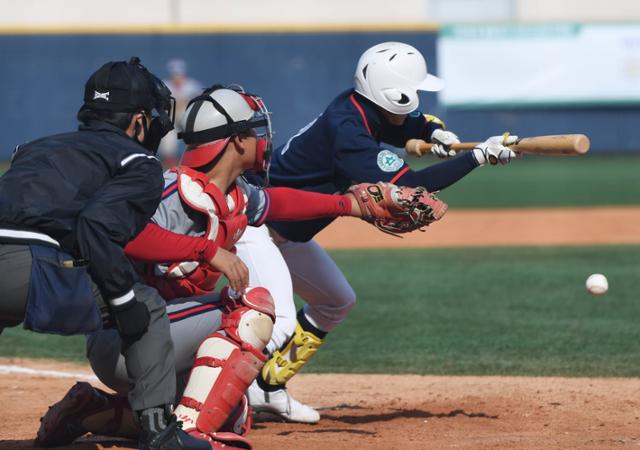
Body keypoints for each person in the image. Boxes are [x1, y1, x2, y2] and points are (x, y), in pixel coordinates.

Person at [35, 85, 442, 449]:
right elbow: (123, 236)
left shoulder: (232, 193)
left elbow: (279, 202)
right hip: (126, 337)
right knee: (251, 310)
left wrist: (349, 205)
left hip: (160, 341)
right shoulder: (170, 191)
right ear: (236, 141)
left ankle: (89, 411)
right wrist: (205, 251)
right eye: (254, 132)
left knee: (235, 412)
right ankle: (191, 437)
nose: (262, 141)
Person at [235, 41, 519, 423]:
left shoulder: (361, 106)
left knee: (336, 300)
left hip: (287, 231)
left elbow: (409, 123)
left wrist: (435, 132)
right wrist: (475, 157)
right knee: (279, 322)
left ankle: (268, 387)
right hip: (256, 226)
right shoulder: (350, 132)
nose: (417, 99)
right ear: (393, 93)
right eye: (414, 90)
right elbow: (414, 187)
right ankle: (210, 393)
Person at [0, 58, 211, 450]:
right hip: (29, 268)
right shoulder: (139, 161)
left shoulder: (34, 147)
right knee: (144, 306)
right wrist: (122, 298)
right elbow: (97, 227)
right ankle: (160, 433)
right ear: (137, 122)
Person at [158, 59, 204, 166]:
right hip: (171, 119)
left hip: (186, 118)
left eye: (179, 74)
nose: (177, 78)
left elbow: (201, 99)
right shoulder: (165, 85)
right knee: (167, 147)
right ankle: (171, 168)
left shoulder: (192, 85)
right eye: (175, 75)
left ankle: (196, 162)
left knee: (196, 138)